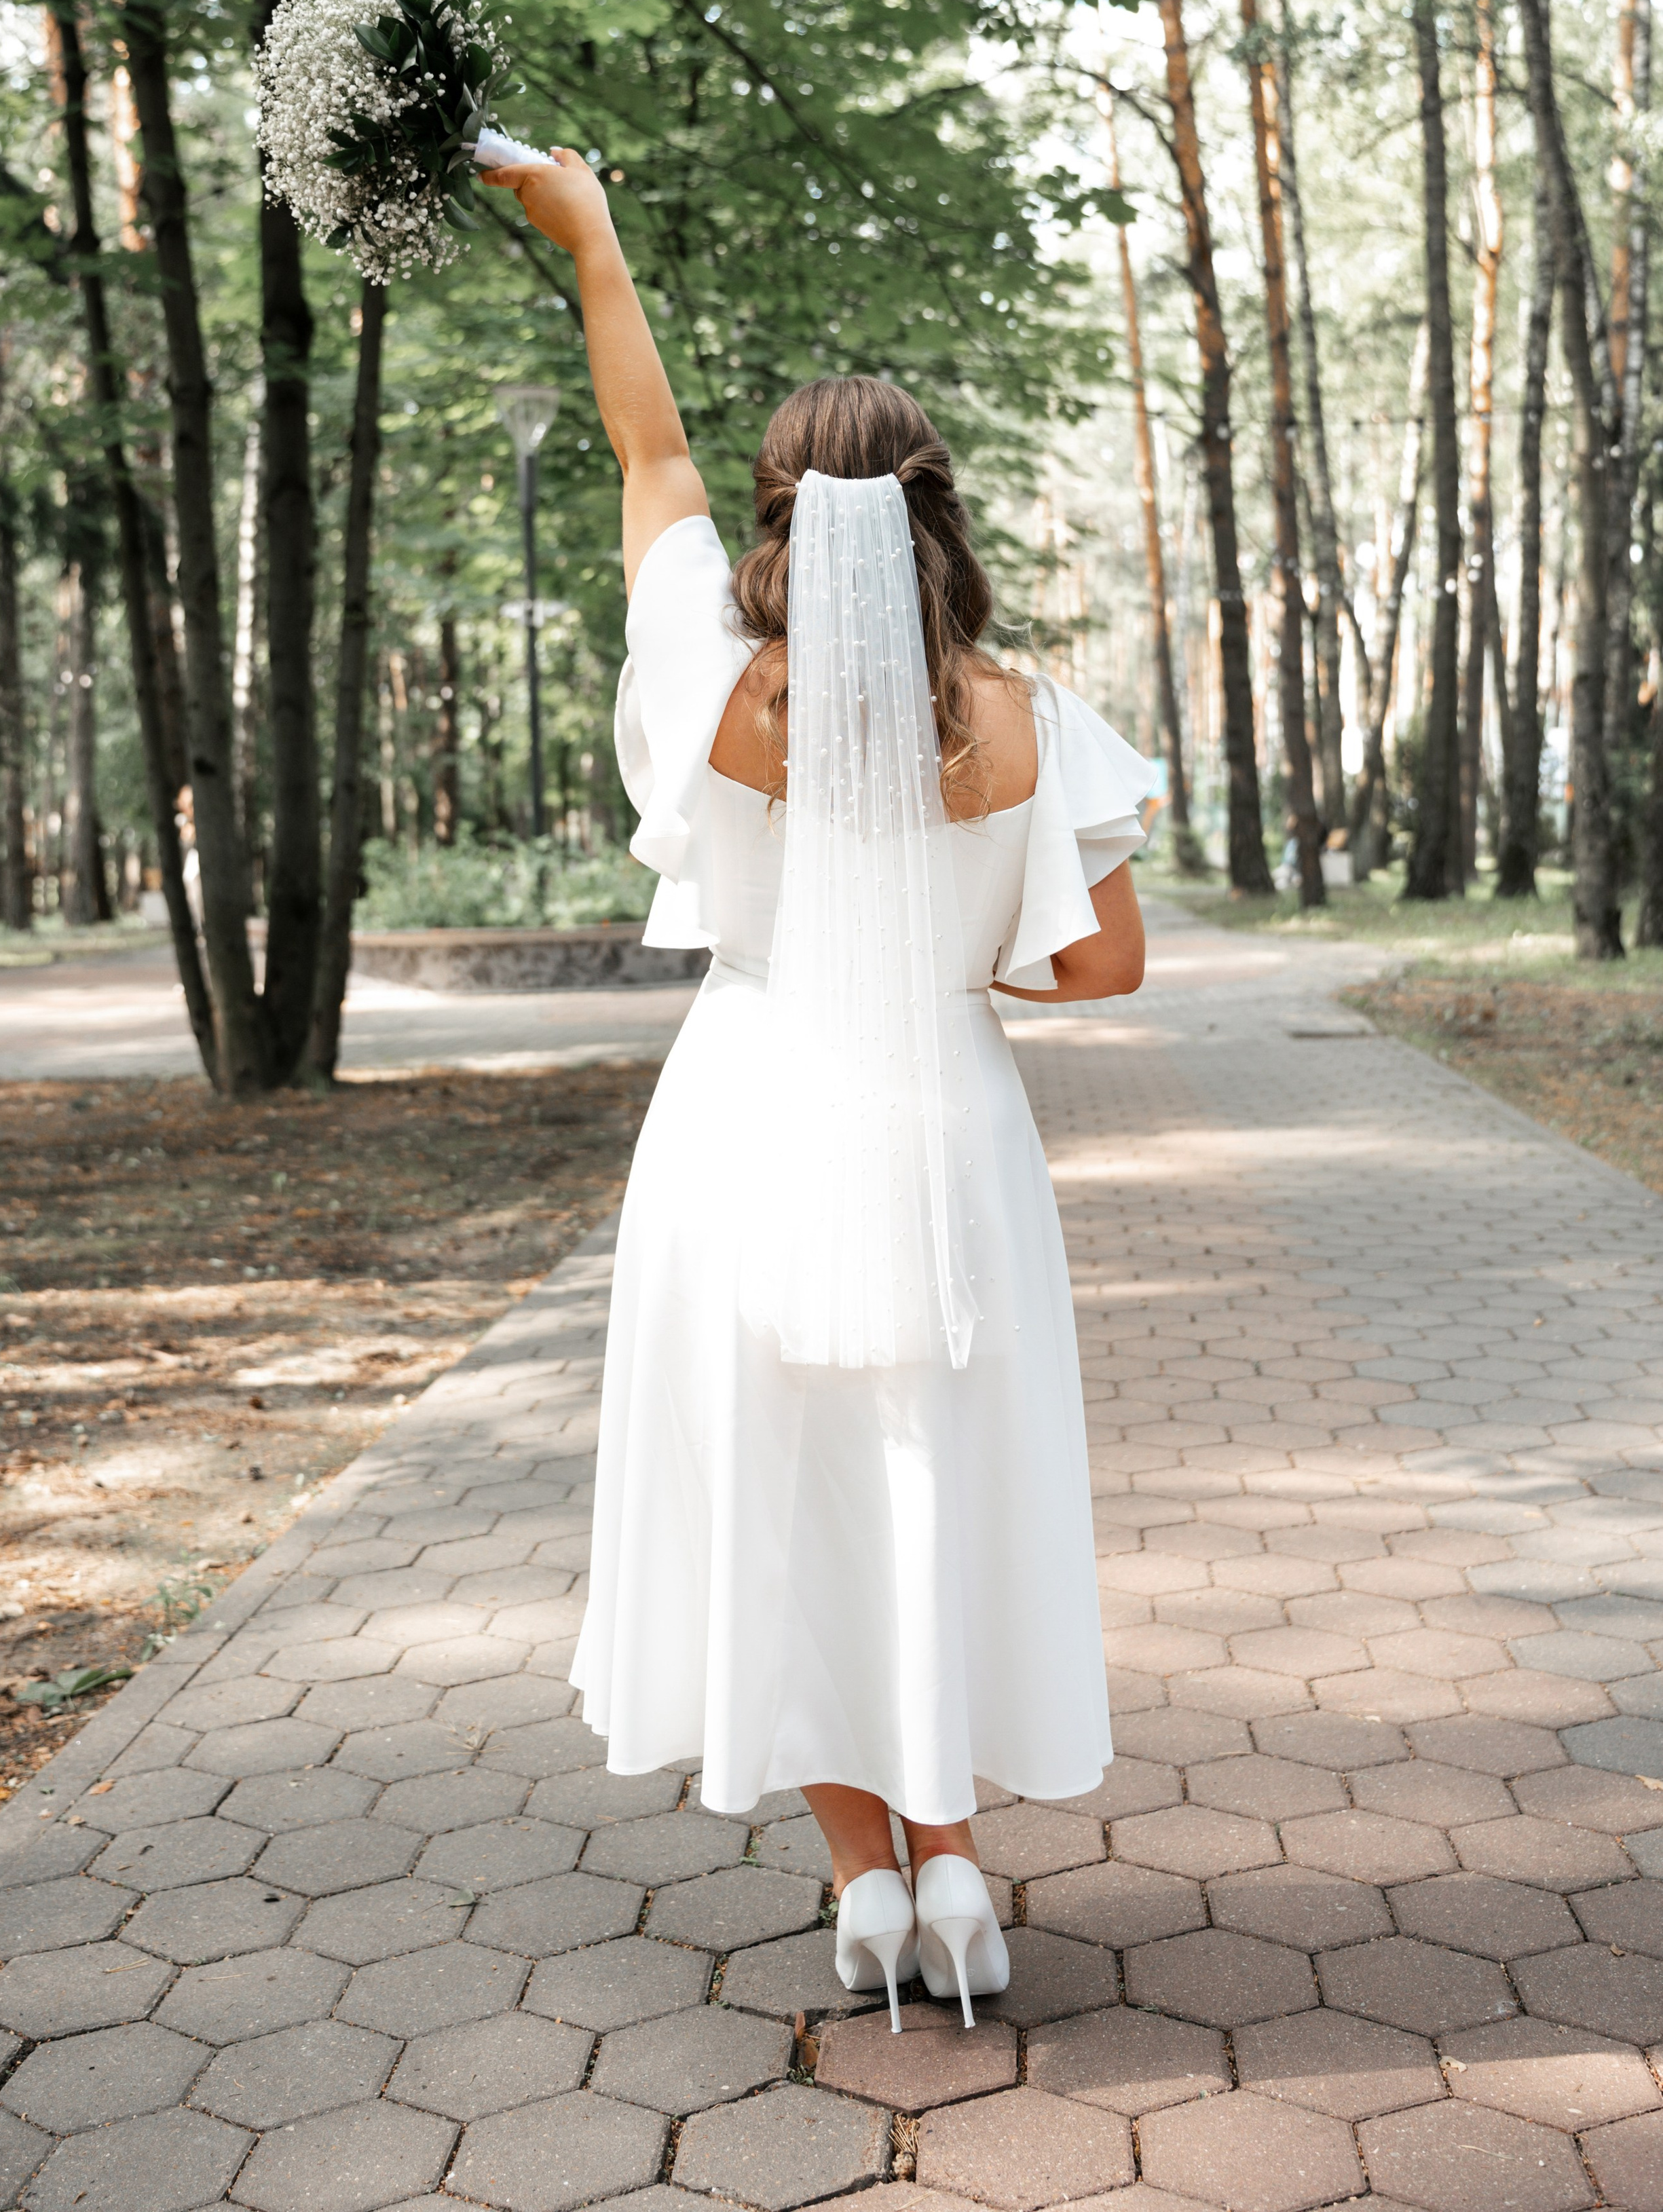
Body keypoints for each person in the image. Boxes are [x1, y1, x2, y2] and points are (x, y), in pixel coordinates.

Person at [483, 146, 1151, 2029]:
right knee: (926, 1481)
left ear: (787, 518)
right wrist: (962, 959)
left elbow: (647, 464)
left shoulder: (710, 676)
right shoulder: (1026, 716)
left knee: (792, 1490)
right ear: (938, 514)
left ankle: (865, 1881)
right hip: (944, 1119)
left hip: (747, 1114)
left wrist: (594, 237)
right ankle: (955, 1863)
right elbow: (1103, 966)